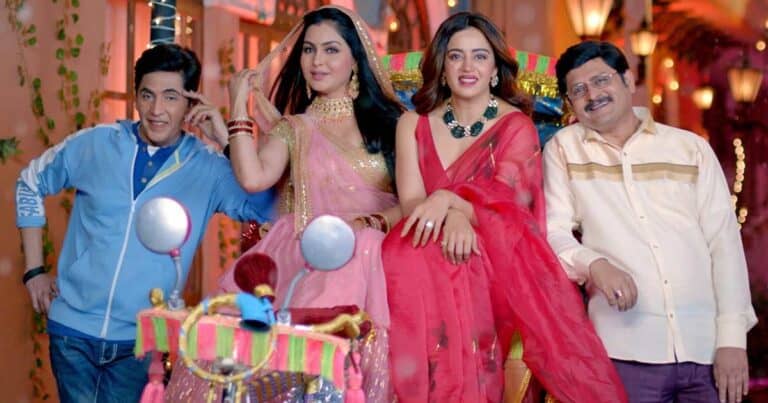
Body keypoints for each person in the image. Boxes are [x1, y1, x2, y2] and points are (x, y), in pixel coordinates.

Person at [382, 12, 627, 403]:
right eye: (456, 56)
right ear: (442, 66)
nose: (467, 67)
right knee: (401, 254)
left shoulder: (516, 125)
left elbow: (512, 205)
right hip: (427, 230)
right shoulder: (413, 123)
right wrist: (451, 213)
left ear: (495, 69)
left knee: (460, 258)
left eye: (480, 56)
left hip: (498, 247)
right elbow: (413, 201)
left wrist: (455, 204)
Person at [166, 6, 402, 402]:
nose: (317, 61)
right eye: (309, 50)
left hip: (374, 258)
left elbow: (413, 200)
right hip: (302, 254)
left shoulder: (391, 123)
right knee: (269, 368)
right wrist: (238, 105)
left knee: (362, 250)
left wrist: (367, 225)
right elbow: (253, 178)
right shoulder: (294, 128)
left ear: (356, 59)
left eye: (331, 50)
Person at [15, 43, 274, 403]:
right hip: (72, 333)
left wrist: (227, 140)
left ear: (191, 105)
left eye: (171, 97)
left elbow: (269, 208)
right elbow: (30, 182)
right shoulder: (96, 144)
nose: (156, 110)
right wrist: (34, 271)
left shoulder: (210, 168)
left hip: (142, 342)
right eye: (147, 95)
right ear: (136, 95)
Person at [544, 40, 757, 403]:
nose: (592, 95)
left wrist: (733, 339)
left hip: (705, 348)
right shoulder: (565, 149)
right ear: (569, 102)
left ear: (628, 80)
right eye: (578, 90)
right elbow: (553, 231)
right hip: (624, 349)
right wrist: (594, 264)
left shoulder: (689, 149)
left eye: (601, 80)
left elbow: (724, 244)